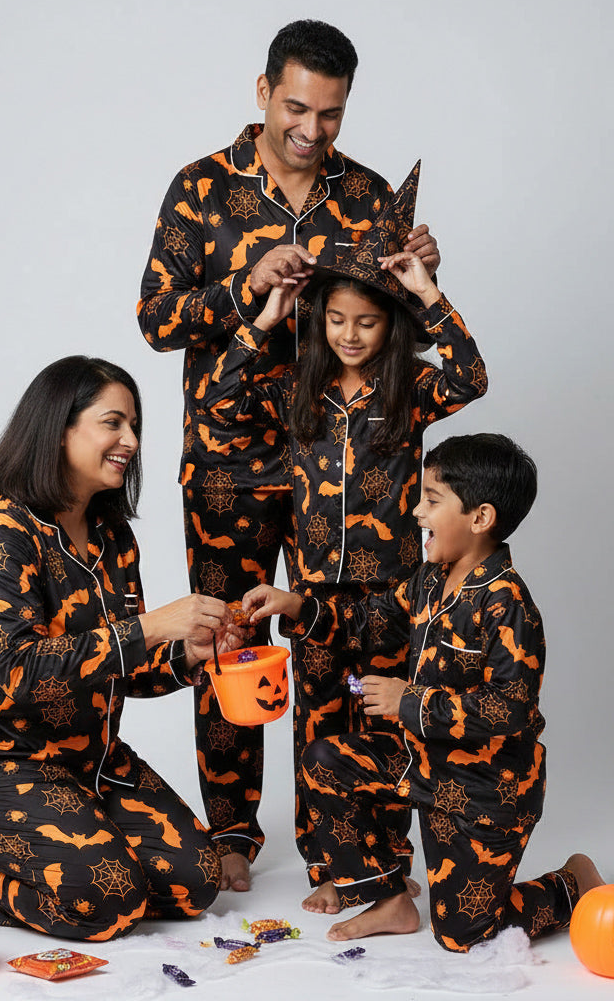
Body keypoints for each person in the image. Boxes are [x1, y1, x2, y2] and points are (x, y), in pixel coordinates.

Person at [138, 18, 440, 892]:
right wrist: (246, 285)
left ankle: (334, 842)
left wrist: (421, 274)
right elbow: (158, 320)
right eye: (299, 107)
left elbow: (398, 331)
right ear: (263, 90)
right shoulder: (199, 188)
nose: (313, 129)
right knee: (228, 639)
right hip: (229, 459)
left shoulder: (373, 194)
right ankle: (231, 831)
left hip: (344, 472)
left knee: (330, 649)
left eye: (333, 114)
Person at [195, 163, 487, 907]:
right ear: (318, 321)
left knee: (383, 719)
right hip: (317, 595)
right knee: (319, 730)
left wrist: (425, 289)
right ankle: (335, 870)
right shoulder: (298, 393)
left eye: (367, 321)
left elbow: (471, 374)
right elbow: (216, 404)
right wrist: (265, 317)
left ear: (389, 328)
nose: (351, 334)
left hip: (394, 594)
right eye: (336, 321)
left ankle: (388, 870)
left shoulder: (409, 394)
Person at [0, 356, 240, 941]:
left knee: (196, 883)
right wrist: (153, 626)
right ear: (60, 427)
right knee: (109, 904)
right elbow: (18, 671)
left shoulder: (113, 535)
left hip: (86, 760)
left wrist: (189, 652)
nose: (130, 441)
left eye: (135, 426)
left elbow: (121, 668)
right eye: (113, 423)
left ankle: (48, 837)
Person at [243, 434, 603, 949]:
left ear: (480, 518)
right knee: (324, 758)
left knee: (462, 935)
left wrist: (407, 701)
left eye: (432, 500)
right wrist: (295, 604)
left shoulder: (508, 605)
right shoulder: (429, 579)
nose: (416, 511)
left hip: (486, 789)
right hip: (422, 764)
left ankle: (572, 885)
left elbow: (510, 707)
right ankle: (388, 899)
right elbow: (369, 623)